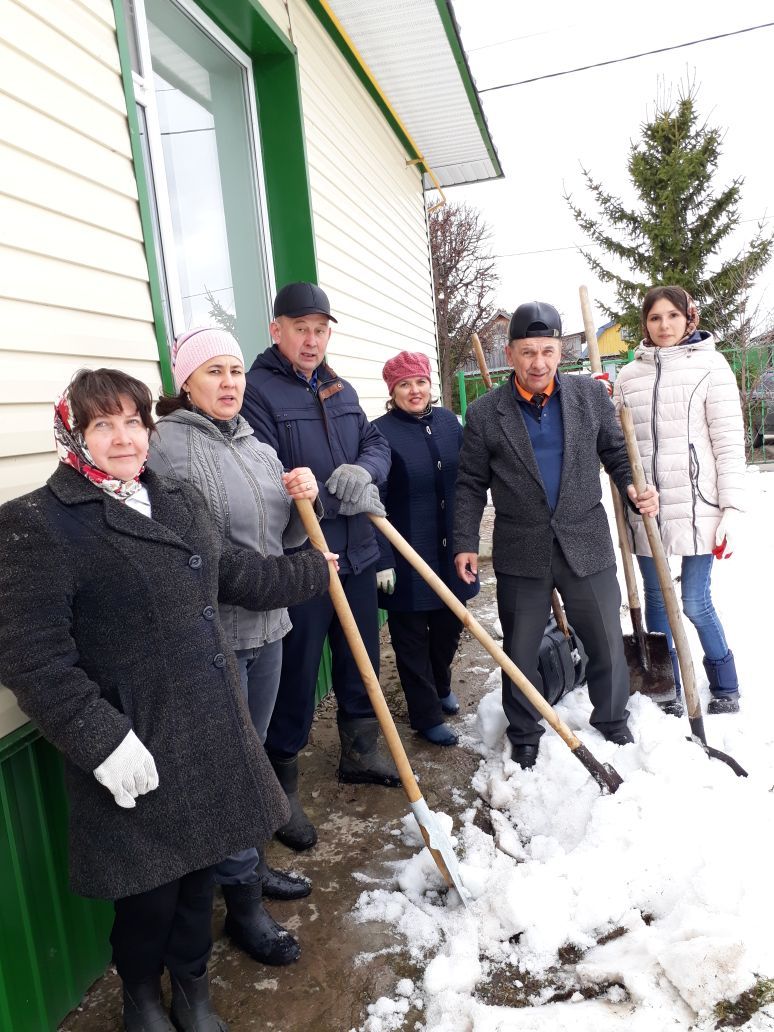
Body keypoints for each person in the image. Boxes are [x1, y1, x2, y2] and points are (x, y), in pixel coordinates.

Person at [0, 368, 332, 1032]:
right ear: (76, 434)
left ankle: (193, 985)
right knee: (147, 895)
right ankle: (142, 997)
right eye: (104, 424)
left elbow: (230, 573)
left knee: (199, 881)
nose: (123, 438)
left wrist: (316, 567)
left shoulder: (175, 499)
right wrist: (105, 741)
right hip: (134, 740)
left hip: (206, 730)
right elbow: (31, 657)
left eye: (133, 421)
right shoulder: (37, 524)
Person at [147, 326, 323, 969]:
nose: (228, 382)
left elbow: (286, 531)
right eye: (212, 372)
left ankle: (250, 868)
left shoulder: (255, 443)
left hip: (269, 626)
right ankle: (244, 908)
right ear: (186, 382)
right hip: (212, 638)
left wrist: (306, 496)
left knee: (253, 760)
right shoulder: (166, 448)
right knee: (231, 769)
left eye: (234, 370)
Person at [453, 301, 659, 769]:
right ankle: (524, 731)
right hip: (521, 548)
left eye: (547, 351)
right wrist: (465, 540)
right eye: (528, 352)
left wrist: (632, 487)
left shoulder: (589, 397)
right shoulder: (486, 413)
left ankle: (610, 718)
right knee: (520, 648)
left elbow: (616, 453)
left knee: (605, 637)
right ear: (510, 353)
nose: (538, 362)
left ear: (560, 350)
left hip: (585, 540)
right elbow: (469, 482)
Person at [241, 282, 396, 851]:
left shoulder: (339, 387)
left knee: (361, 660)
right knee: (297, 672)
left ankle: (359, 750)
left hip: (354, 552)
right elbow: (263, 475)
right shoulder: (255, 392)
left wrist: (367, 473)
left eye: (321, 329)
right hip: (300, 559)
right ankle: (280, 781)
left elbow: (375, 442)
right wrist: (333, 500)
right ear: (276, 329)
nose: (312, 340)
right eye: (301, 328)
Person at [614, 286, 746, 715]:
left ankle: (724, 682)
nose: (664, 326)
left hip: (698, 503)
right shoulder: (629, 375)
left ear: (689, 317)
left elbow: (728, 442)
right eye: (655, 318)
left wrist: (731, 507)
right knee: (656, 598)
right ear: (645, 324)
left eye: (672, 316)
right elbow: (615, 440)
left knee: (693, 600)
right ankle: (665, 682)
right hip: (647, 504)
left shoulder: (712, 365)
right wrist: (602, 400)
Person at [373, 351, 479, 746]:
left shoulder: (450, 423)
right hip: (406, 554)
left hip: (451, 550)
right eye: (404, 384)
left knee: (450, 627)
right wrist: (383, 559)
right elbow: (374, 498)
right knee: (412, 638)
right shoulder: (379, 433)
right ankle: (425, 713)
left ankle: (441, 683)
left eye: (419, 382)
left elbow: (470, 480)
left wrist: (469, 538)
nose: (414, 391)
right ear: (392, 391)